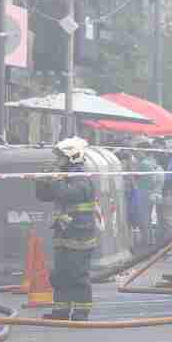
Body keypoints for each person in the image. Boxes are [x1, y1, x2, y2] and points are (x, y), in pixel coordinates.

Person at [35, 137, 100, 321]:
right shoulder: (64, 176)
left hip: (80, 234)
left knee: (78, 275)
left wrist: (55, 180)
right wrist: (42, 180)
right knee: (60, 275)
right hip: (64, 233)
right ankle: (61, 311)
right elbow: (44, 196)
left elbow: (70, 194)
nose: (58, 161)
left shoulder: (80, 177)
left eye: (61, 157)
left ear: (72, 156)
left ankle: (81, 312)